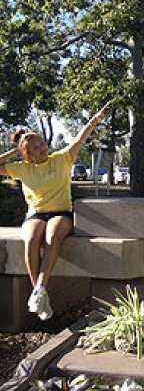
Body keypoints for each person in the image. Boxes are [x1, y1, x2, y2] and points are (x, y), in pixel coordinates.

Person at [0, 102, 111, 320]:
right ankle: (39, 293)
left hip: (61, 213)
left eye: (42, 142)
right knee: (31, 239)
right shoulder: (22, 168)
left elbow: (81, 137)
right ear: (28, 155)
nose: (42, 147)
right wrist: (12, 152)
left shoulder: (62, 158)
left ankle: (39, 290)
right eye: (35, 147)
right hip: (36, 214)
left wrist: (97, 117)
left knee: (52, 236)